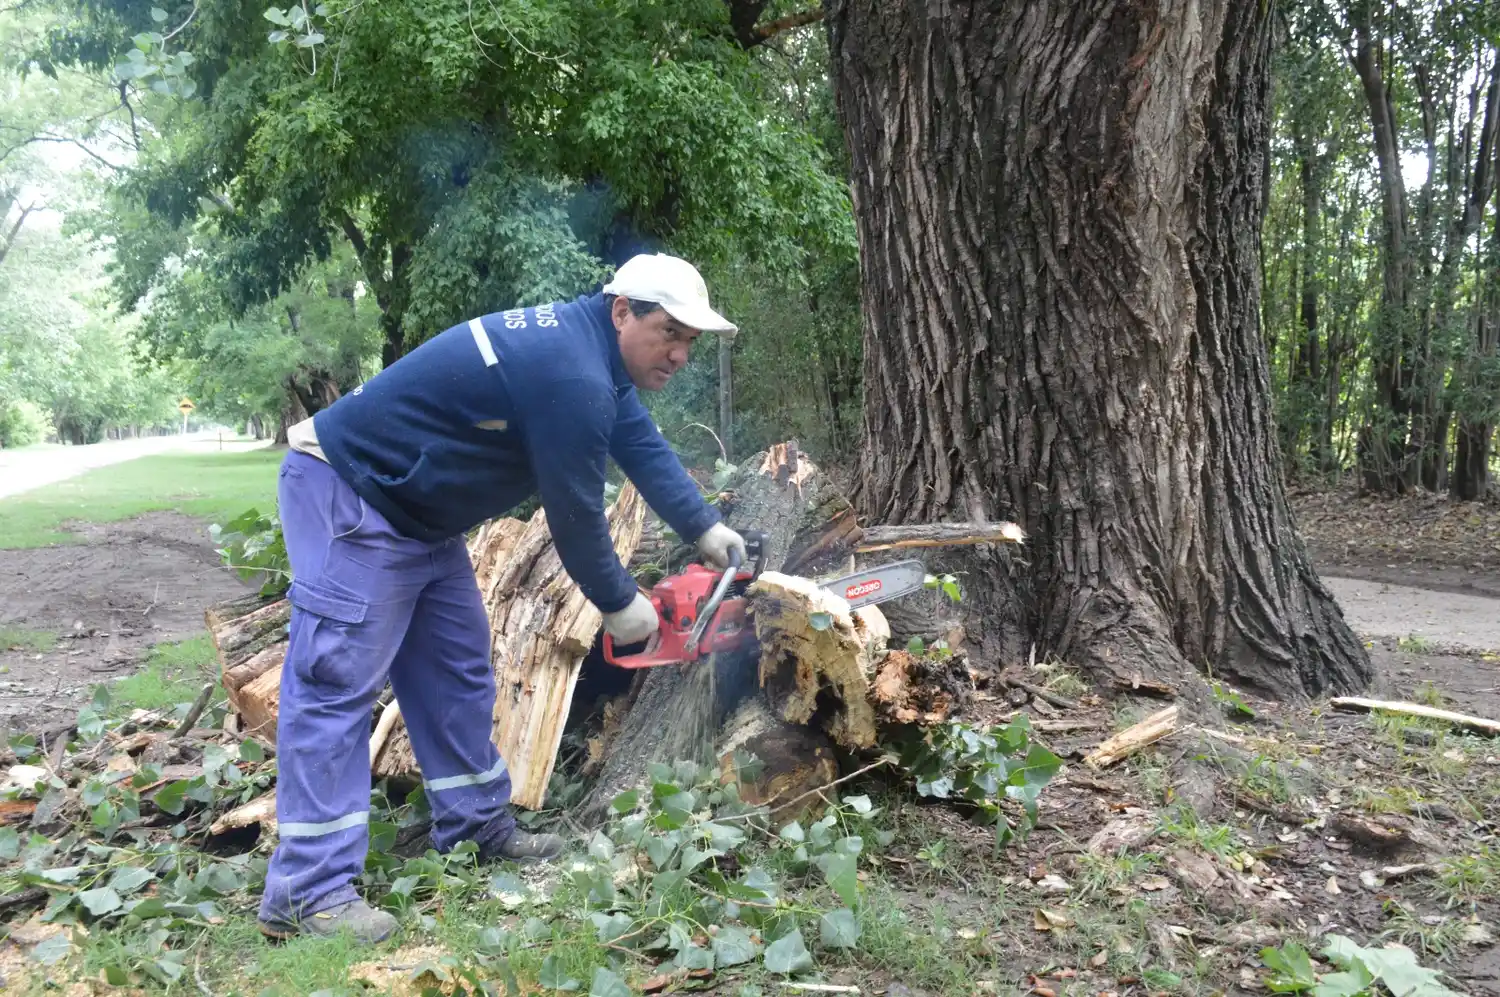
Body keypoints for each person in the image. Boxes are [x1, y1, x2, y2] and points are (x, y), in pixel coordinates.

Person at [256, 253, 747, 944]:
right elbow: (574, 512)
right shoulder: (572, 373)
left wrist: (704, 526)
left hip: (420, 515)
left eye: (691, 341)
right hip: (351, 491)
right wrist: (618, 601)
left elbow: (641, 445)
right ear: (621, 310)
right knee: (334, 679)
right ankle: (305, 892)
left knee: (457, 668)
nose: (680, 353)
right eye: (670, 332)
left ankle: (475, 826)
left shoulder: (591, 359)